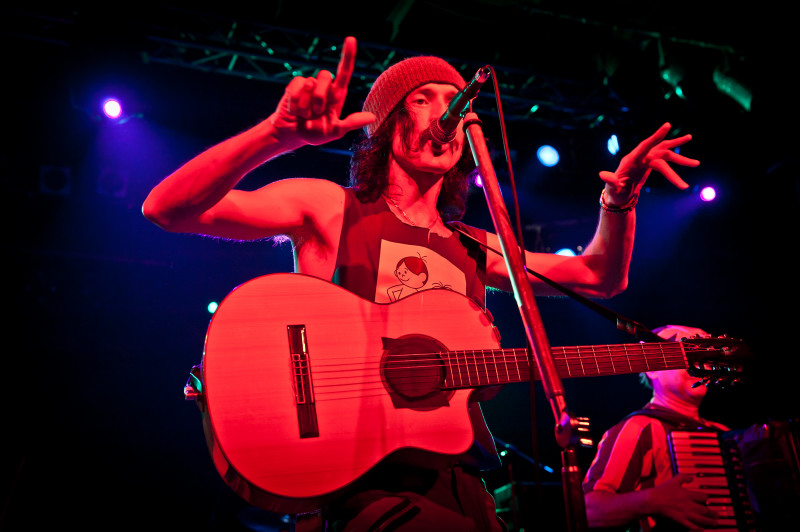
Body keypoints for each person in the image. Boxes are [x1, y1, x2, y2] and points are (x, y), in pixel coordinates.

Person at [142, 36, 699, 531]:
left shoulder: (476, 245)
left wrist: (618, 202)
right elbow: (166, 208)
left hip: (463, 486)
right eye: (422, 98)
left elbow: (598, 277)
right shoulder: (332, 209)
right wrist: (275, 137)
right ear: (387, 125)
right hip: (361, 490)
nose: (447, 112)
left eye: (455, 100)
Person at [582, 325, 732, 531]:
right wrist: (652, 500)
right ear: (652, 369)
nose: (698, 364)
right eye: (685, 354)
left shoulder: (723, 434)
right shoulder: (638, 429)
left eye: (704, 355)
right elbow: (588, 512)